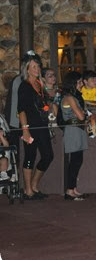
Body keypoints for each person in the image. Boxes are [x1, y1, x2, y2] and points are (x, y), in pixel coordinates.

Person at [17, 51, 54, 200]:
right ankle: (28, 190)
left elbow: (43, 104)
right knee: (30, 156)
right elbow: (21, 110)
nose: (37, 69)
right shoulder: (24, 86)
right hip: (30, 126)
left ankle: (33, 185)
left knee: (48, 156)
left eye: (38, 66)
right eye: (33, 67)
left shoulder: (39, 84)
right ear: (27, 69)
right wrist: (25, 130)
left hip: (42, 125)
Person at [59, 71, 91, 201]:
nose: (81, 84)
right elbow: (81, 116)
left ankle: (73, 188)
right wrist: (84, 113)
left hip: (78, 129)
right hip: (73, 129)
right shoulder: (69, 98)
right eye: (78, 82)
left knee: (77, 160)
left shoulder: (74, 97)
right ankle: (69, 190)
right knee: (74, 161)